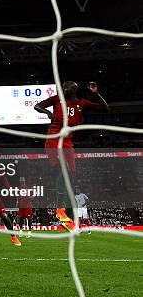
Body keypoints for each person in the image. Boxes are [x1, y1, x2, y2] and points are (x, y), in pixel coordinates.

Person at [35, 81, 109, 232]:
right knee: (64, 171)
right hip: (55, 137)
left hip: (68, 141)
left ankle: (68, 217)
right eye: (63, 88)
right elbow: (37, 106)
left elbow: (106, 108)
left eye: (66, 87)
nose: (64, 90)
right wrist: (48, 113)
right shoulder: (56, 99)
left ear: (73, 89)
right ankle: (60, 211)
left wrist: (96, 94)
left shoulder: (82, 102)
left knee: (71, 178)